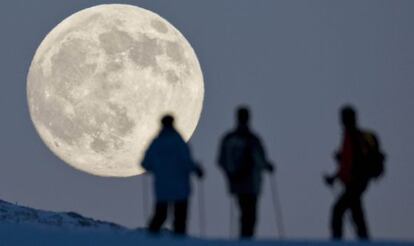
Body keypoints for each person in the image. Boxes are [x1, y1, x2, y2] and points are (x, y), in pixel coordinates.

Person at [324, 105, 385, 240]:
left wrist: (334, 177)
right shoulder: (353, 136)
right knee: (356, 213)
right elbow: (348, 163)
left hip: (354, 183)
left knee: (338, 211)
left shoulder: (350, 136)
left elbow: (349, 163)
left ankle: (337, 240)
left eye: (343, 117)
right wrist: (335, 177)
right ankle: (363, 239)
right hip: (359, 182)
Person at [217, 106, 274, 239]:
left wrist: (230, 174)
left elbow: (220, 160)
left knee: (243, 210)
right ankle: (247, 238)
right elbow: (260, 159)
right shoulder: (252, 139)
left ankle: (244, 237)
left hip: (235, 183)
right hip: (251, 183)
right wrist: (268, 166)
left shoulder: (228, 138)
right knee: (250, 213)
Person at [142, 114, 203, 236]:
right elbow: (187, 161)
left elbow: (145, 163)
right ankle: (178, 241)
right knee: (180, 219)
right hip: (180, 186)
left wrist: (156, 168)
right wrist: (197, 170)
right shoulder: (178, 142)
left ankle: (150, 238)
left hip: (162, 186)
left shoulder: (156, 143)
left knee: (160, 215)